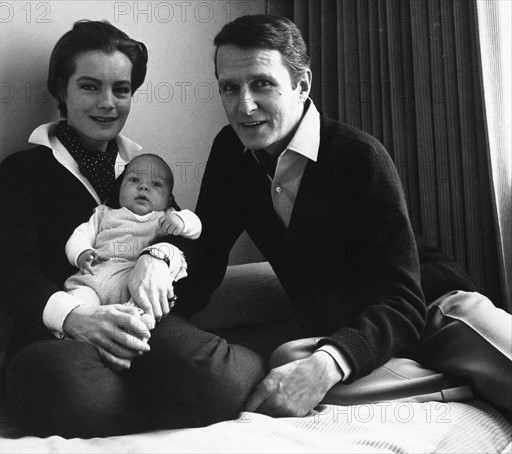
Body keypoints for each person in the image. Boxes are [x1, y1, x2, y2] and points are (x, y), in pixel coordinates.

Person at [127, 14, 427, 420]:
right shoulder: (232, 150)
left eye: (262, 83)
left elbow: (405, 300)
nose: (244, 105)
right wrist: (159, 268)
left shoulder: (360, 158)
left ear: (302, 85)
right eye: (230, 88)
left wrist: (328, 364)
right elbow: (209, 249)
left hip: (424, 309)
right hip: (327, 325)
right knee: (278, 362)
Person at [0, 20, 196, 436]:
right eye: (89, 86)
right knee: (71, 389)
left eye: (121, 89)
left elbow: (182, 237)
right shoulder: (23, 171)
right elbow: (9, 272)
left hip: (140, 329)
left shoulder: (144, 173)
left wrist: (160, 255)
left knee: (230, 380)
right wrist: (78, 318)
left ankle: (145, 392)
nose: (108, 103)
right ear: (61, 91)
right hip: (57, 340)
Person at [64, 153, 201, 316]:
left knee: (143, 304)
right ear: (119, 189)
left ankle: (134, 323)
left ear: (169, 200)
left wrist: (181, 220)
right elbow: (80, 235)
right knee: (77, 301)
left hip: (133, 280)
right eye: (134, 180)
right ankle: (81, 326)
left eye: (156, 184)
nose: (143, 187)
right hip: (94, 277)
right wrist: (81, 253)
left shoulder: (165, 217)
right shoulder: (103, 214)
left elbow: (196, 226)